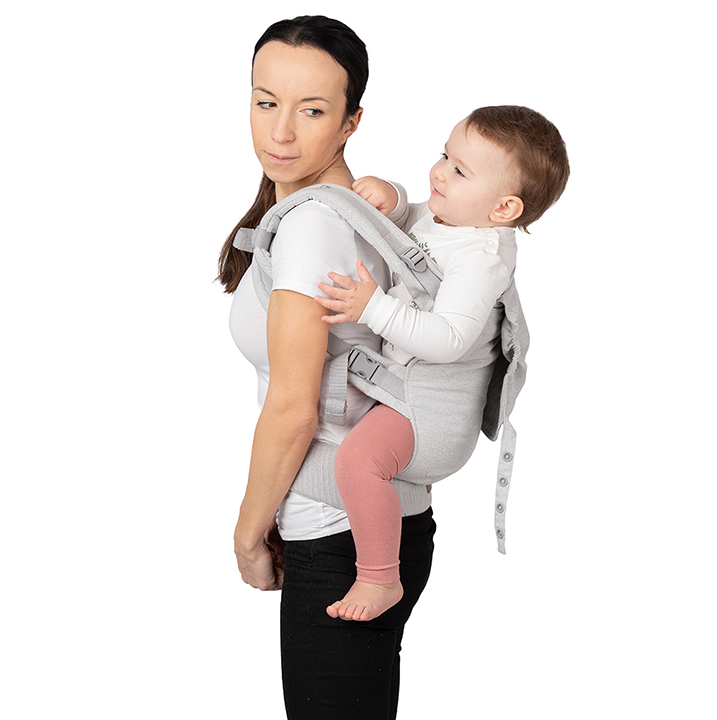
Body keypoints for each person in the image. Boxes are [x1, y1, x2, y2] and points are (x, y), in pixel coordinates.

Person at [217, 15, 435, 720]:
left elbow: (294, 408)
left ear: (351, 122)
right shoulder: (342, 213)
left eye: (311, 111)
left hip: (335, 534)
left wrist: (248, 536)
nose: (280, 132)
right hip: (380, 521)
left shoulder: (312, 227)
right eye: (265, 102)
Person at [314, 106, 570, 622]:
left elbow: (450, 339)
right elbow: (413, 229)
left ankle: (379, 578)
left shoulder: (481, 258)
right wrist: (391, 197)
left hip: (432, 419)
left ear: (504, 208)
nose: (440, 172)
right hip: (406, 396)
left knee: (356, 463)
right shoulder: (454, 217)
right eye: (444, 156)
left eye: (460, 170)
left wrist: (373, 309)